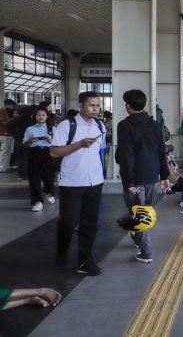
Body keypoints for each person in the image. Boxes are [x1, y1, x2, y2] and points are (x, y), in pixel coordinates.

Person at [50, 92, 107, 276]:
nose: (96, 109)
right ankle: (62, 249)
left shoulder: (100, 126)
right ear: (81, 105)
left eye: (98, 106)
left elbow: (101, 150)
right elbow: (54, 152)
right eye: (92, 105)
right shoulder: (67, 126)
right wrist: (79, 145)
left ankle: (85, 261)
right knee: (69, 221)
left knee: (90, 224)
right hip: (72, 182)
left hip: (95, 181)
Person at [115, 89, 170, 264]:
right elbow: (162, 150)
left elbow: (126, 156)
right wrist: (164, 175)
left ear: (128, 106)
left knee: (139, 213)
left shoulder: (125, 125)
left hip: (136, 177)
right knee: (144, 210)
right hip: (153, 176)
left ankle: (147, 251)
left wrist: (128, 181)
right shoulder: (154, 124)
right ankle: (139, 239)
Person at [22, 107, 56, 212]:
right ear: (34, 117)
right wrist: (30, 141)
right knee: (34, 178)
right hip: (34, 153)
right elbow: (24, 144)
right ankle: (37, 201)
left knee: (49, 176)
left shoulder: (52, 129)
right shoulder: (30, 129)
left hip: (48, 153)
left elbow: (58, 144)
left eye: (43, 115)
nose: (40, 117)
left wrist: (50, 140)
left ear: (47, 116)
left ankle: (48, 191)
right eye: (38, 115)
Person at [0, 99, 18, 172]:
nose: (12, 107)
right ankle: (1, 167)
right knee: (4, 151)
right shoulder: (1, 111)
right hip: (3, 133)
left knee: (9, 150)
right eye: (11, 105)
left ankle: (6, 166)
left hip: (9, 134)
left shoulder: (6, 112)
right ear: (6, 105)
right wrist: (14, 117)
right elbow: (4, 122)